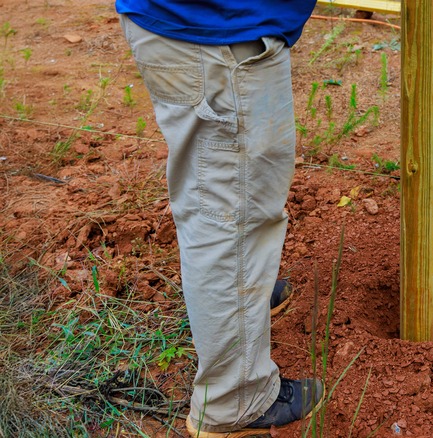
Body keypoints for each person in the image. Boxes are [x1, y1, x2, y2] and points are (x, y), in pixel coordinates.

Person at [114, 1, 323, 436]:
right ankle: (236, 401)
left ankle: (239, 306)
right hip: (219, 39)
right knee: (232, 221)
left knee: (216, 202)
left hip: (189, 26)